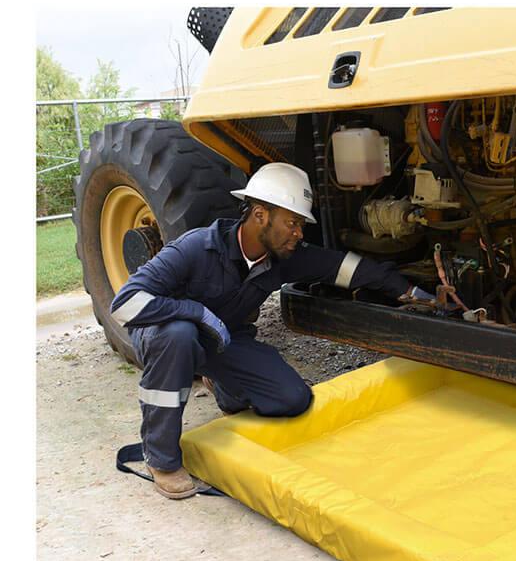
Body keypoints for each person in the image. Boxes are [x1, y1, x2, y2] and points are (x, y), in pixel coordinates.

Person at [110, 162, 433, 499]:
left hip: (223, 340)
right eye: (292, 223)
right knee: (178, 334)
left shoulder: (284, 256)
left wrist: (408, 291)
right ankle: (159, 456)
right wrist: (196, 312)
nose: (299, 233)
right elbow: (124, 304)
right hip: (169, 338)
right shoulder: (196, 248)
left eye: (300, 225)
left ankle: (223, 385)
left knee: (292, 399)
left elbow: (345, 268)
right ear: (261, 215)